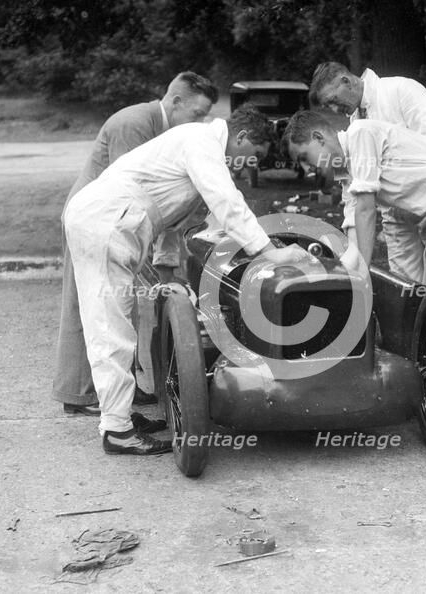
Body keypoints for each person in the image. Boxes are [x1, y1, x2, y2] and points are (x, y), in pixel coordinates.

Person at [64, 105, 308, 455]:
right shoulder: (200, 141)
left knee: (117, 321)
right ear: (240, 137)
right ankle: (117, 430)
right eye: (252, 156)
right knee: (109, 325)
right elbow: (227, 201)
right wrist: (271, 252)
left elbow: (209, 220)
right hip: (105, 222)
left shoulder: (197, 142)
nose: (247, 166)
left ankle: (119, 416)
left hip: (112, 221)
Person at [282, 110, 426, 417]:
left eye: (306, 158)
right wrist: (346, 276)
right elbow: (352, 225)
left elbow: (366, 210)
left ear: (320, 137)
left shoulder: (361, 134)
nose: (308, 170)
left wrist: (362, 276)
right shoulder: (350, 174)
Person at [53, 72, 218, 416]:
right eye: (198, 113)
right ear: (175, 102)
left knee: (121, 306)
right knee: (90, 306)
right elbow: (126, 198)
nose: (202, 122)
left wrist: (167, 266)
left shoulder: (164, 129)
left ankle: (120, 389)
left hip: (113, 223)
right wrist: (154, 270)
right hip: (94, 223)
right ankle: (81, 394)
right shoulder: (134, 124)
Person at [309, 62, 426, 282]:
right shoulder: (352, 128)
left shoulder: (401, 89)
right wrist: (352, 258)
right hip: (394, 217)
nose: (335, 110)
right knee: (404, 287)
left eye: (334, 101)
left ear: (346, 81)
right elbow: (352, 197)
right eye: (329, 106)